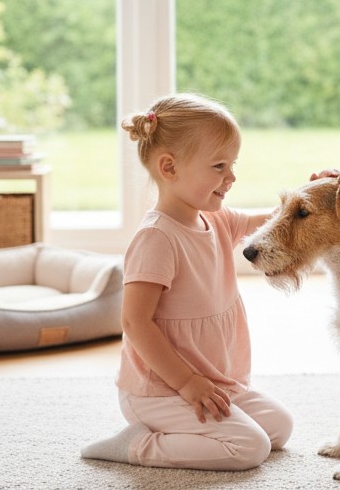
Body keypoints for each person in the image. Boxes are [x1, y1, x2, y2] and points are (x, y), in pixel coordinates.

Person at [81, 93, 293, 471]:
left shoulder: (215, 218)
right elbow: (134, 322)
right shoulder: (157, 238)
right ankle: (139, 444)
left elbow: (269, 223)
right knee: (249, 448)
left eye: (232, 164)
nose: (231, 177)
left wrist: (311, 200)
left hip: (213, 380)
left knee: (279, 427)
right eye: (218, 166)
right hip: (162, 390)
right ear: (169, 168)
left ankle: (188, 426)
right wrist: (187, 383)